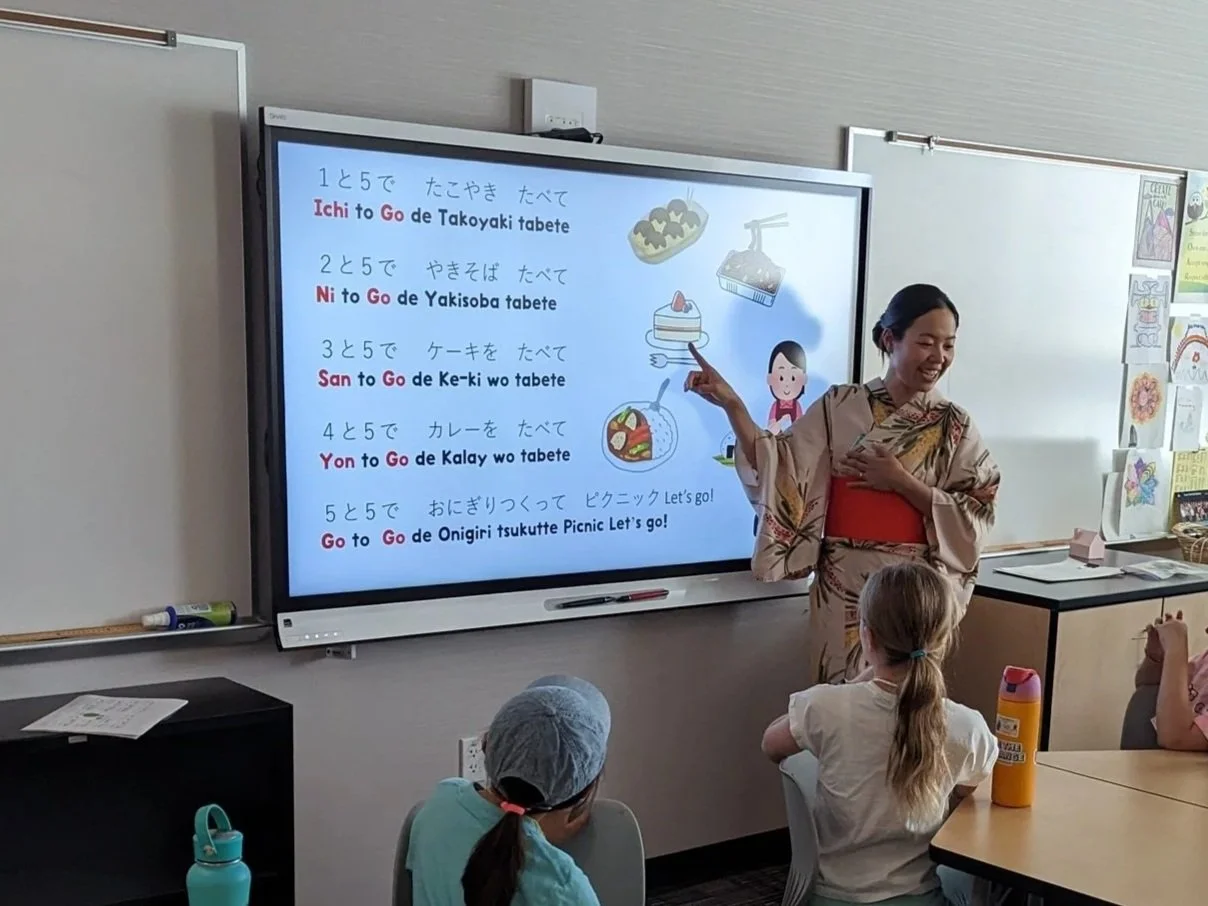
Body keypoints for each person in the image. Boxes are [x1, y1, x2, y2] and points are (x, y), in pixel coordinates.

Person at [685, 283, 1001, 684]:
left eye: (949, 345)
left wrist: (903, 483)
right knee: (837, 706)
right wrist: (733, 405)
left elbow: (980, 508)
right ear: (890, 339)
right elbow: (782, 466)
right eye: (926, 342)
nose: (939, 357)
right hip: (843, 584)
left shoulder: (955, 425)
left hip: (916, 594)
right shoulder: (839, 406)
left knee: (908, 708)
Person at [760, 563, 1000, 906]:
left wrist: (853, 685)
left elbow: (771, 744)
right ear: (944, 640)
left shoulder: (825, 708)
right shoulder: (967, 728)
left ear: (867, 637)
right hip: (920, 897)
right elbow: (972, 801)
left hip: (832, 899)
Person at [405, 675, 610, 906]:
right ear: (583, 791)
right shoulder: (565, 888)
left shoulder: (441, 804)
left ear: (486, 744)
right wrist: (538, 846)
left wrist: (533, 839)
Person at [1128, 610, 1208, 751]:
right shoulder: (1204, 661)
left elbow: (1176, 739)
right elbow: (1146, 685)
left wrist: (1175, 648)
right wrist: (1157, 659)